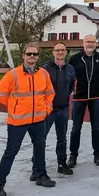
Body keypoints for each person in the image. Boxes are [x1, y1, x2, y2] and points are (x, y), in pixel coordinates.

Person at [0, 44, 56, 196]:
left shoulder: (43, 74)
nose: (32, 56)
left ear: (38, 57)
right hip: (18, 121)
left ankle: (41, 175)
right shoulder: (13, 74)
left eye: (35, 54)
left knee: (40, 147)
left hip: (38, 119)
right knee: (11, 151)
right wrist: (15, 107)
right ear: (23, 55)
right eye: (29, 54)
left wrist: (47, 109)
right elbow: (0, 94)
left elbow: (50, 93)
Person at [29, 41, 75, 179]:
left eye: (63, 50)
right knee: (40, 139)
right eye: (57, 50)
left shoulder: (71, 69)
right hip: (47, 110)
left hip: (64, 108)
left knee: (62, 139)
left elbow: (72, 85)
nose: (60, 52)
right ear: (53, 52)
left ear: (66, 52)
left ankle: (62, 164)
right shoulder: (44, 69)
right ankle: (35, 168)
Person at [68, 34, 99, 167]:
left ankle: (98, 154)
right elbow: (70, 76)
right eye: (88, 42)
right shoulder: (74, 59)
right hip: (79, 98)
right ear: (83, 43)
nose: (90, 44)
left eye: (93, 42)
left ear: (96, 44)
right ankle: (73, 156)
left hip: (95, 97)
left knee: (96, 127)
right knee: (75, 128)